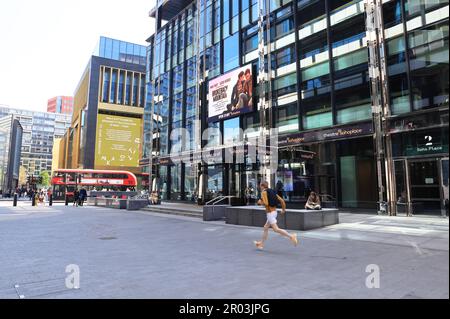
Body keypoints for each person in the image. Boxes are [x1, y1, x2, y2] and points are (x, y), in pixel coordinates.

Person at [253, 181, 298, 250]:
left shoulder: (264, 192)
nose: (259, 187)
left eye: (260, 186)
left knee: (276, 229)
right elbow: (282, 200)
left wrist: (260, 202)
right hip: (274, 212)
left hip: (270, 213)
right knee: (265, 227)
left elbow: (266, 203)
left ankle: (291, 236)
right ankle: (261, 244)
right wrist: (283, 209)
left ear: (262, 186)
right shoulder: (272, 191)